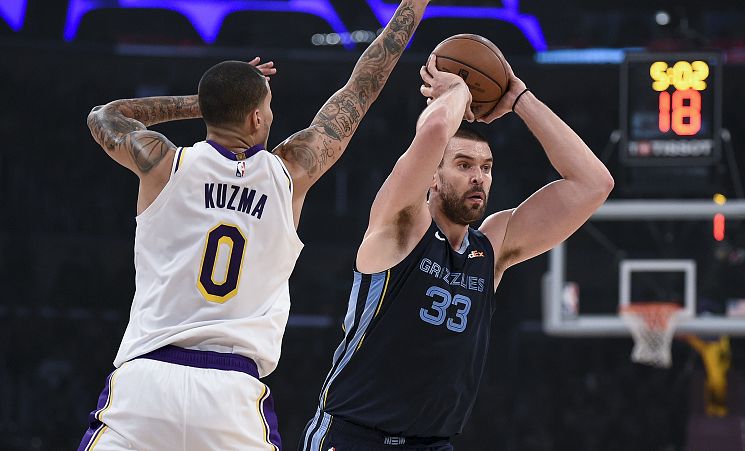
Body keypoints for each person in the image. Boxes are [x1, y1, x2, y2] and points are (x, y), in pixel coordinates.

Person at [78, 1, 432, 449]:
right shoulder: (289, 174)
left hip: (146, 381)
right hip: (231, 392)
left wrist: (201, 103)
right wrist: (412, 9)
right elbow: (360, 88)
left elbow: (104, 116)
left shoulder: (163, 163)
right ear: (258, 118)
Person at [300, 53, 614, 450]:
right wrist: (457, 91)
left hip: (432, 442)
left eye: (486, 167)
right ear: (433, 175)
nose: (478, 177)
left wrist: (520, 98)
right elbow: (433, 131)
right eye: (464, 164)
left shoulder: (493, 247)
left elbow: (594, 183)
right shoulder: (400, 225)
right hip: (352, 435)